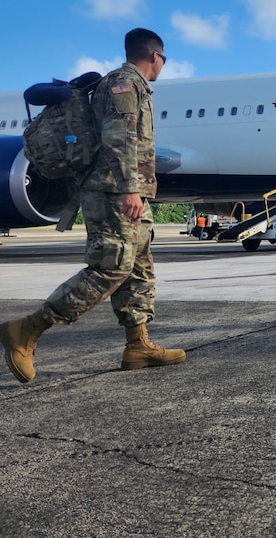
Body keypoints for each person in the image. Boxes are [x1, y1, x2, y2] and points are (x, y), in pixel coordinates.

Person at [0, 28, 185, 383]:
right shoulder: (123, 83)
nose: (163, 65)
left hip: (130, 192)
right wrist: (130, 189)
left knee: (138, 270)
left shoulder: (134, 85)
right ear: (154, 56)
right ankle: (26, 330)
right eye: (164, 59)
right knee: (110, 268)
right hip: (114, 192)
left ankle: (138, 345)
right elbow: (119, 138)